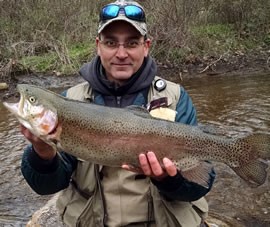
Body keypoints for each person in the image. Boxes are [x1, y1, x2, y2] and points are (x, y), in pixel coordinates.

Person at [21, 0, 215, 226]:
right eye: (111, 43)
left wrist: (167, 179)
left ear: (146, 46)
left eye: (132, 43)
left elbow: (199, 185)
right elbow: (47, 186)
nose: (121, 53)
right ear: (98, 45)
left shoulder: (175, 97)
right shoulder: (69, 102)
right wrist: (42, 153)